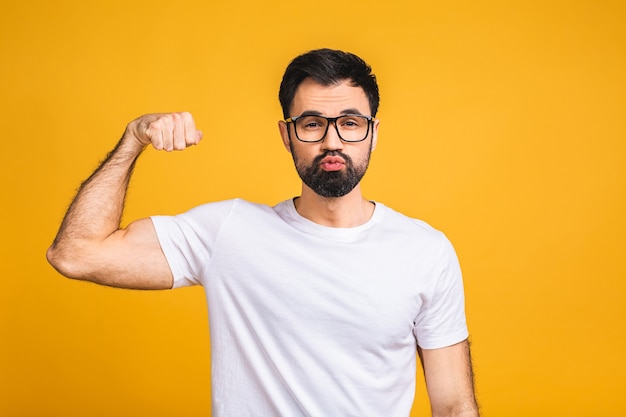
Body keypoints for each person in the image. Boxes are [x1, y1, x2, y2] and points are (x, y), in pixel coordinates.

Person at [47, 48, 480, 417]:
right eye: (312, 123)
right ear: (287, 135)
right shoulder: (228, 232)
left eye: (350, 122)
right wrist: (132, 141)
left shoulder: (425, 251)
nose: (333, 141)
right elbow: (76, 254)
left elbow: (454, 407)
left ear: (372, 133)